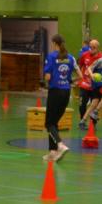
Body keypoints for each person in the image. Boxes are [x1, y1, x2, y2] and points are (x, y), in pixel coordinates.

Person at [42, 34, 76, 162]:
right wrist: (69, 81)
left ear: (54, 43)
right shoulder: (70, 57)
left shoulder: (51, 56)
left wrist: (45, 81)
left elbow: (48, 77)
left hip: (55, 92)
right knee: (54, 122)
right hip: (66, 92)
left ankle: (60, 145)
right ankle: (52, 152)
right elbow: (78, 74)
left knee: (49, 123)